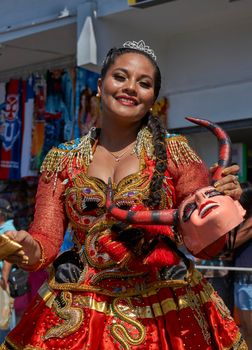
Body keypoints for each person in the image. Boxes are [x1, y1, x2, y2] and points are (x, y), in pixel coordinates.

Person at [0, 40, 247, 349]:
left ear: (152, 99)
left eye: (144, 83)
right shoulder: (61, 158)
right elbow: (46, 241)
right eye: (120, 77)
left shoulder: (175, 152)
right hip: (80, 311)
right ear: (100, 86)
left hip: (167, 313)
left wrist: (220, 208)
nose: (131, 87)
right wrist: (24, 248)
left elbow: (205, 246)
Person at [234, 182, 252, 349]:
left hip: (250, 281)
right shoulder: (240, 221)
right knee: (245, 328)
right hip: (241, 280)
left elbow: (231, 243)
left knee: (250, 329)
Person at [0, 199, 16, 343]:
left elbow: (10, 256)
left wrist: (4, 277)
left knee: (4, 319)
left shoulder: (8, 230)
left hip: (3, 281)